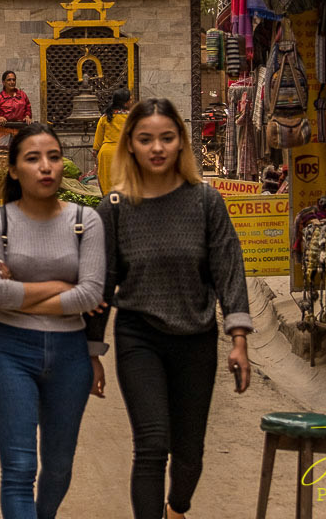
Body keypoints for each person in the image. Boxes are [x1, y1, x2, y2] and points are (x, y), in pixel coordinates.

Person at [85, 98, 252, 519]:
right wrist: (92, 351)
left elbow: (228, 267)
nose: (157, 148)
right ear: (131, 145)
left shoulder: (205, 202)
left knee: (189, 452)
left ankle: (177, 510)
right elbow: (103, 282)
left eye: (166, 138)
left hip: (196, 338)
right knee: (152, 444)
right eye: (146, 139)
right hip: (139, 335)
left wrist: (238, 338)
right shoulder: (115, 208)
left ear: (181, 143)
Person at [0, 123, 106, 519]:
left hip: (71, 356)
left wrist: (21, 294)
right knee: (19, 469)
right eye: (32, 159)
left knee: (59, 467)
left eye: (53, 157)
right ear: (14, 169)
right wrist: (61, 285)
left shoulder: (86, 221)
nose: (45, 167)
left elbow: (91, 294)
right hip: (10, 352)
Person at [92, 87, 132, 194]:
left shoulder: (105, 117)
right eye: (130, 99)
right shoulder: (131, 118)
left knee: (108, 184)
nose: (131, 102)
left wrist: (95, 156)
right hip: (124, 153)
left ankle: (109, 202)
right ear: (125, 102)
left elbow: (97, 143)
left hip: (106, 154)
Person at [0, 71, 33, 148]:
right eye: (9, 80)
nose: (12, 82)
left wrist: (27, 116)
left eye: (13, 80)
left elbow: (28, 108)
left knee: (20, 152)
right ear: (3, 82)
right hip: (4, 132)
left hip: (20, 131)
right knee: (4, 154)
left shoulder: (22, 95)